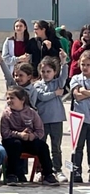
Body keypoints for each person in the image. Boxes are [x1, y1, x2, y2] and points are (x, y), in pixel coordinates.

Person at [2, 86, 58, 186]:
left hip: (28, 140)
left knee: (42, 146)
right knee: (15, 144)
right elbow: (5, 132)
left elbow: (40, 131)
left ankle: (48, 174)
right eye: (8, 98)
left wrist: (33, 136)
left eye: (12, 98)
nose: (9, 101)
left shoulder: (32, 113)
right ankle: (11, 175)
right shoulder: (6, 114)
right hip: (13, 140)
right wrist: (19, 135)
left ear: (22, 100)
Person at [34, 53, 69, 182]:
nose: (46, 74)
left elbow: (64, 76)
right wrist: (55, 93)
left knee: (56, 147)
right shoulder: (37, 85)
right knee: (41, 146)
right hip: (42, 121)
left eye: (49, 71)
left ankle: (57, 170)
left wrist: (64, 61)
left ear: (54, 72)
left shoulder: (57, 82)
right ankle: (40, 170)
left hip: (56, 120)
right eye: (43, 71)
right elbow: (42, 96)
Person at [71, 50, 90, 182]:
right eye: (83, 64)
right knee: (78, 147)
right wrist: (82, 91)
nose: (85, 67)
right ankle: (76, 172)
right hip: (80, 118)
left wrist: (84, 91)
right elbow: (76, 95)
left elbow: (81, 93)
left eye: (88, 65)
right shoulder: (76, 78)